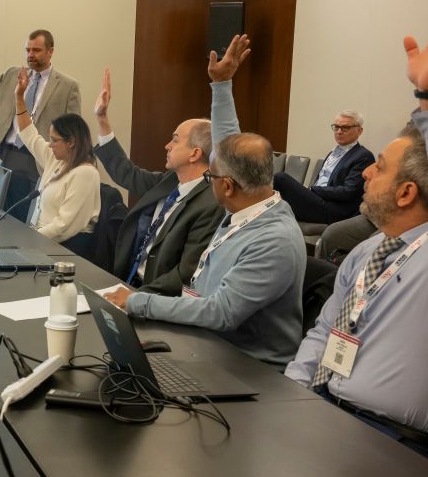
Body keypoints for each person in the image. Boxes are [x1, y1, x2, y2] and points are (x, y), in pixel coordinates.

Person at [106, 35, 307, 369]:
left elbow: (220, 312)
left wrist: (138, 302)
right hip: (206, 345)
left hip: (245, 369)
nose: (206, 182)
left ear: (226, 186)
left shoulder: (274, 240)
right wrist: (222, 84)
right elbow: (228, 142)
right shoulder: (251, 198)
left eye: (210, 178)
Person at [284, 34, 428, 454]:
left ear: (405, 193)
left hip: (391, 440)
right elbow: (325, 331)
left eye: (378, 169)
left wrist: (424, 98)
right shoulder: (367, 251)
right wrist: (290, 397)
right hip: (322, 408)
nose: (366, 174)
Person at [92, 69, 225, 295]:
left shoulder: (211, 203)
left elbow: (185, 274)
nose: (167, 146)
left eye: (175, 140)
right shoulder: (170, 181)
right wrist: (102, 120)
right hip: (126, 281)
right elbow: (128, 174)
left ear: (195, 153)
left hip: (154, 297)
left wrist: (136, 299)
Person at [0, 26, 81, 221]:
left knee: (29, 214)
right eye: (28, 50)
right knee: (1, 212)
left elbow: (75, 129)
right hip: (8, 154)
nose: (30, 55)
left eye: (36, 50)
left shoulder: (67, 86)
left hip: (39, 157)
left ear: (50, 51)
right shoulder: (12, 75)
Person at [12, 68, 99, 243]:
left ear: (71, 142)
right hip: (41, 241)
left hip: (62, 251)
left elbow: (63, 227)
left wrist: (28, 240)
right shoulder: (55, 158)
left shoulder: (86, 174)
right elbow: (29, 134)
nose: (49, 144)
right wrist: (19, 98)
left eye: (54, 140)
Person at [273, 110, 374, 223]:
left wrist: (312, 190)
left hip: (333, 209)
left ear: (359, 131)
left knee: (280, 178)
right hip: (317, 201)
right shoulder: (334, 153)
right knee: (276, 207)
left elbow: (348, 192)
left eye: (345, 128)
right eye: (336, 127)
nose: (339, 131)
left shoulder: (363, 156)